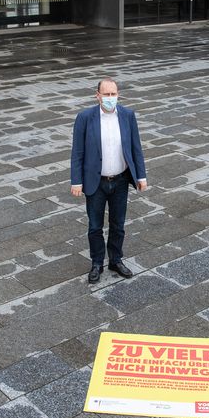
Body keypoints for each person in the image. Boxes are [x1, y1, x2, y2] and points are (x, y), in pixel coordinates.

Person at [70, 78, 148, 283]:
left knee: (118, 224)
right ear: (97, 95)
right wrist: (76, 181)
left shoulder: (128, 116)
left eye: (113, 94)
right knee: (95, 226)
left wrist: (141, 176)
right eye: (106, 94)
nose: (110, 98)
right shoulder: (85, 118)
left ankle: (116, 259)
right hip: (95, 182)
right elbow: (77, 152)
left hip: (121, 180)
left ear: (118, 94)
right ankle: (97, 263)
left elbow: (136, 148)